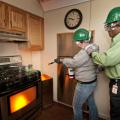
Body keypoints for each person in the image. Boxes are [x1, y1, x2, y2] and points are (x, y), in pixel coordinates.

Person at [54, 28, 99, 120]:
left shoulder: (84, 52)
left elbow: (75, 62)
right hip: (92, 82)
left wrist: (61, 60)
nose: (76, 43)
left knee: (76, 106)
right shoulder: (94, 47)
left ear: (81, 41)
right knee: (91, 103)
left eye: (76, 41)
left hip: (84, 84)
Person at [88, 7, 120, 120]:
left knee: (116, 112)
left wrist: (92, 53)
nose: (108, 30)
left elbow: (107, 59)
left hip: (118, 84)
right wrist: (103, 68)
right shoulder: (116, 41)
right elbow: (114, 60)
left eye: (110, 26)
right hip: (116, 82)